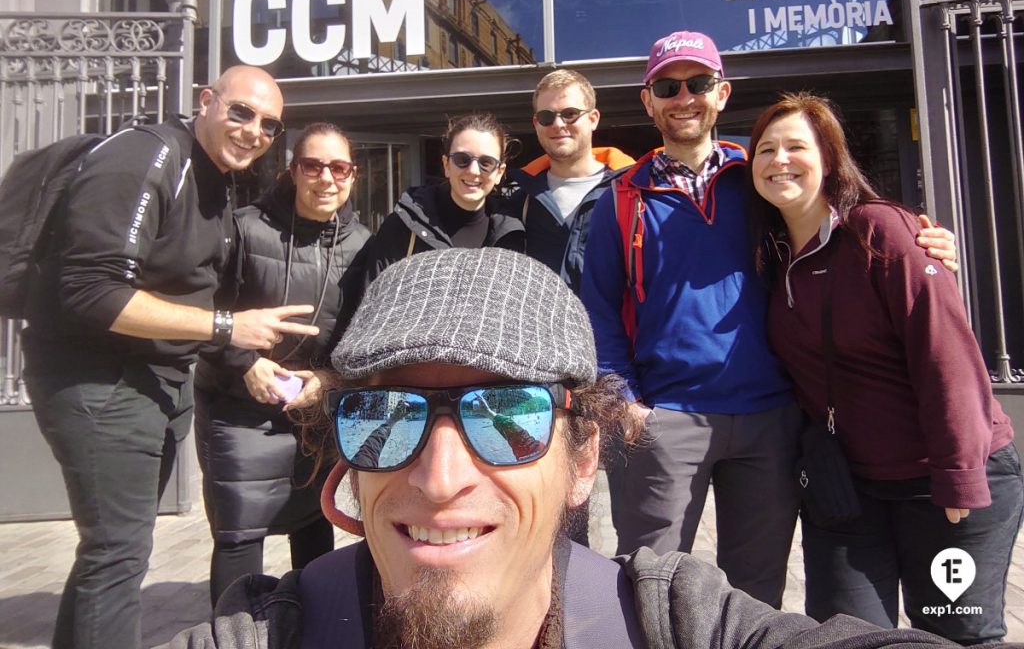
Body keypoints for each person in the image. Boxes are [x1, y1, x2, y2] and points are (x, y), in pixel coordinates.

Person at [164, 247, 994, 649]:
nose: (441, 478)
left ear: (584, 457)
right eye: (386, 415)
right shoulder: (261, 635)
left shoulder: (677, 626)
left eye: (507, 414)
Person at [579, 30, 959, 608]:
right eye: (668, 85)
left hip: (772, 417)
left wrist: (920, 240)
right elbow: (599, 307)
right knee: (649, 586)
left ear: (722, 93)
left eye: (699, 83)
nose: (685, 97)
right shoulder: (621, 197)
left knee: (755, 593)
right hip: (666, 420)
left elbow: (841, 225)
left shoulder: (757, 176)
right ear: (649, 101)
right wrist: (626, 402)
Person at [21, 65, 319, 649]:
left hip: (152, 381)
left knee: (112, 551)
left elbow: (188, 286)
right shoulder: (147, 156)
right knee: (118, 552)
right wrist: (228, 327)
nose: (253, 130)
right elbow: (92, 291)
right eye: (240, 111)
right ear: (205, 101)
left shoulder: (215, 178)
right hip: (102, 379)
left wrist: (237, 351)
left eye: (268, 124)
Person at [747, 91, 1023, 642]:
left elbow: (946, 356)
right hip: (849, 486)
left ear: (830, 158)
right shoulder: (771, 255)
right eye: (765, 150)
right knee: (844, 635)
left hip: (943, 477)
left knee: (953, 635)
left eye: (796, 146)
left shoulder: (881, 232)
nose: (780, 160)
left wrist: (958, 477)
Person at [194, 122, 372, 606]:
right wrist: (243, 362)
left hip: (311, 410)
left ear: (353, 176)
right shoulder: (245, 227)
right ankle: (232, 628)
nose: (326, 178)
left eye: (340, 167)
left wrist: (331, 380)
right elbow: (203, 311)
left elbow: (362, 337)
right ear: (293, 171)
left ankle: (307, 624)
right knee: (239, 530)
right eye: (313, 165)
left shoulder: (361, 245)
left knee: (312, 522)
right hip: (238, 406)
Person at [507, 68, 634, 293]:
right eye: (547, 117)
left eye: (570, 113)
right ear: (536, 124)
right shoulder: (519, 203)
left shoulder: (631, 192)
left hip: (613, 328)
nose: (558, 124)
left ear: (593, 119)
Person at [363, 112, 524, 281]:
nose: (473, 171)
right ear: (446, 165)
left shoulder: (512, 235)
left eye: (486, 163)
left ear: (499, 173)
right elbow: (373, 300)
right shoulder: (404, 226)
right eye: (462, 159)